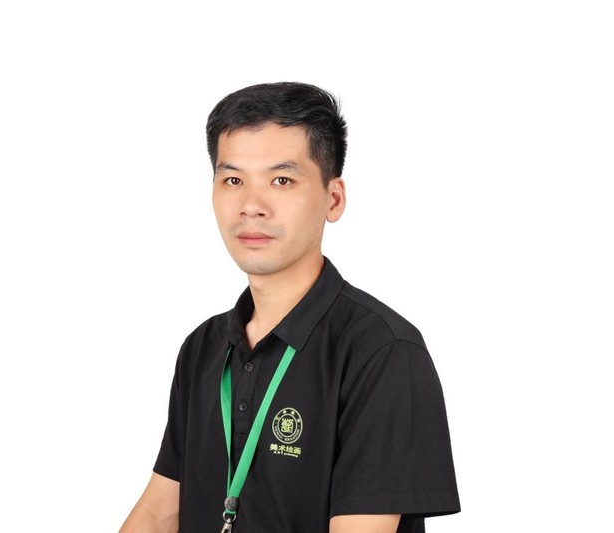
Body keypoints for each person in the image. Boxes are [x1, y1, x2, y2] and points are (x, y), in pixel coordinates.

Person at [119, 82, 460, 533]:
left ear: (333, 199)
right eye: (233, 180)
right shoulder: (203, 347)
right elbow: (160, 512)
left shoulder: (383, 352)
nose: (251, 206)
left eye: (281, 180)